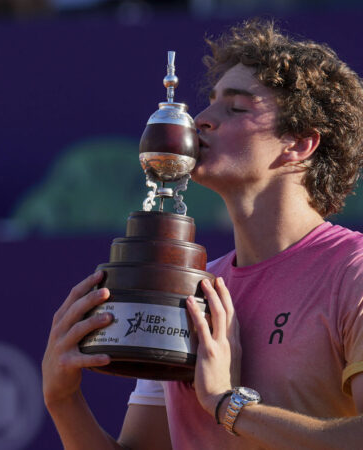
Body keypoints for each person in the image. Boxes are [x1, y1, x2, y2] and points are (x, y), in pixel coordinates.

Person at [42, 18, 363, 449]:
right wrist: (63, 400)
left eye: (236, 107)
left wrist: (228, 406)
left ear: (299, 143)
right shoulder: (188, 291)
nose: (201, 120)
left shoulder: (352, 272)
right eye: (209, 103)